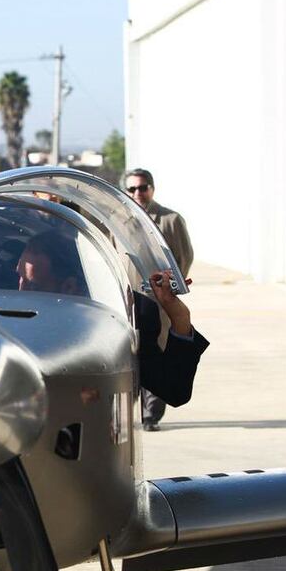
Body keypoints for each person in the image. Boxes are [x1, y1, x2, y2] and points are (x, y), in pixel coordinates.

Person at [16, 231, 209, 407]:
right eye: (18, 278)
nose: (20, 292)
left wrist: (179, 315)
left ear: (69, 287)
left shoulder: (125, 313)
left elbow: (173, 390)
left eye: (33, 286)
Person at [123, 168, 196, 429]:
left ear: (152, 189)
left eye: (143, 188)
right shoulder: (117, 220)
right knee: (129, 354)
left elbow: (184, 257)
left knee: (159, 351)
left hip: (158, 301)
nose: (138, 193)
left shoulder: (170, 220)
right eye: (132, 189)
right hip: (127, 300)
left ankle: (151, 415)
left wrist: (171, 292)